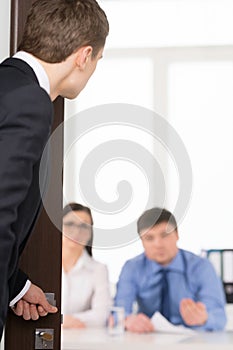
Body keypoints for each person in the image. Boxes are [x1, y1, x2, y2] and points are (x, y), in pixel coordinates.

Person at [0, 0, 109, 340]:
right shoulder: (30, 101)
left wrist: (16, 285)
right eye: (97, 61)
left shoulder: (7, 83)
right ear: (83, 55)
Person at [115, 207, 227, 333]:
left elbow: (219, 317)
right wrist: (127, 320)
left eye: (164, 235)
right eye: (149, 238)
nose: (158, 244)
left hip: (192, 339)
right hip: (147, 338)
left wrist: (204, 318)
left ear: (177, 234)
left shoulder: (201, 267)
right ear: (142, 241)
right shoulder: (132, 268)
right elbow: (119, 311)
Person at [62, 203, 111, 328]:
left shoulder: (98, 269)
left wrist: (63, 321)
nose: (77, 231)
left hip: (81, 340)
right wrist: (64, 321)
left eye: (84, 226)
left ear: (90, 233)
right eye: (70, 224)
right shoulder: (43, 266)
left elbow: (101, 315)